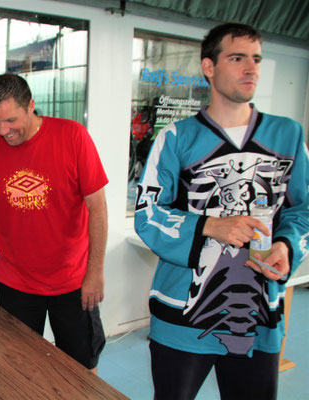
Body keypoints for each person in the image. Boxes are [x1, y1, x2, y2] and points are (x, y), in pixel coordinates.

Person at [135, 22, 309, 400]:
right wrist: (211, 225)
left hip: (259, 316)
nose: (251, 69)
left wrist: (285, 246)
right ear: (209, 68)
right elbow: (147, 214)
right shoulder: (176, 138)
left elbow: (303, 211)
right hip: (182, 314)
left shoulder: (289, 136)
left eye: (256, 59)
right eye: (237, 58)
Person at [0, 73, 108, 372]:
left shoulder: (73, 136)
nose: (3, 130)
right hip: (15, 280)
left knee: (82, 369)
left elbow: (97, 208)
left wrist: (94, 271)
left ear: (31, 105)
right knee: (17, 367)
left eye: (10, 120)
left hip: (72, 281)